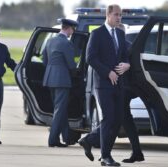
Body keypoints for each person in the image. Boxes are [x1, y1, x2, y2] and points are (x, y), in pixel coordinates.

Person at [78, 4, 129, 166]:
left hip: (119, 84)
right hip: (103, 84)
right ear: (108, 15)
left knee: (117, 119)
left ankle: (88, 140)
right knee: (108, 118)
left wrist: (127, 65)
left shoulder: (120, 34)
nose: (119, 18)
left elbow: (125, 56)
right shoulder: (97, 34)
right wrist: (108, 72)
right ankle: (106, 156)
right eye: (116, 15)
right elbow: (90, 58)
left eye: (120, 15)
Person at [42, 18, 78, 147]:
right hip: (62, 80)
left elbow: (44, 59)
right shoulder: (66, 43)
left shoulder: (50, 40)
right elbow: (71, 64)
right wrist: (76, 73)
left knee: (60, 109)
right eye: (72, 30)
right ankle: (53, 140)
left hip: (50, 78)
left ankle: (67, 137)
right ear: (68, 28)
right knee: (59, 110)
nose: (72, 33)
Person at [117, 23, 145, 163]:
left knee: (118, 119)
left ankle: (92, 141)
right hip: (131, 88)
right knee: (124, 120)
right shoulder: (130, 46)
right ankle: (137, 152)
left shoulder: (122, 47)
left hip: (125, 89)